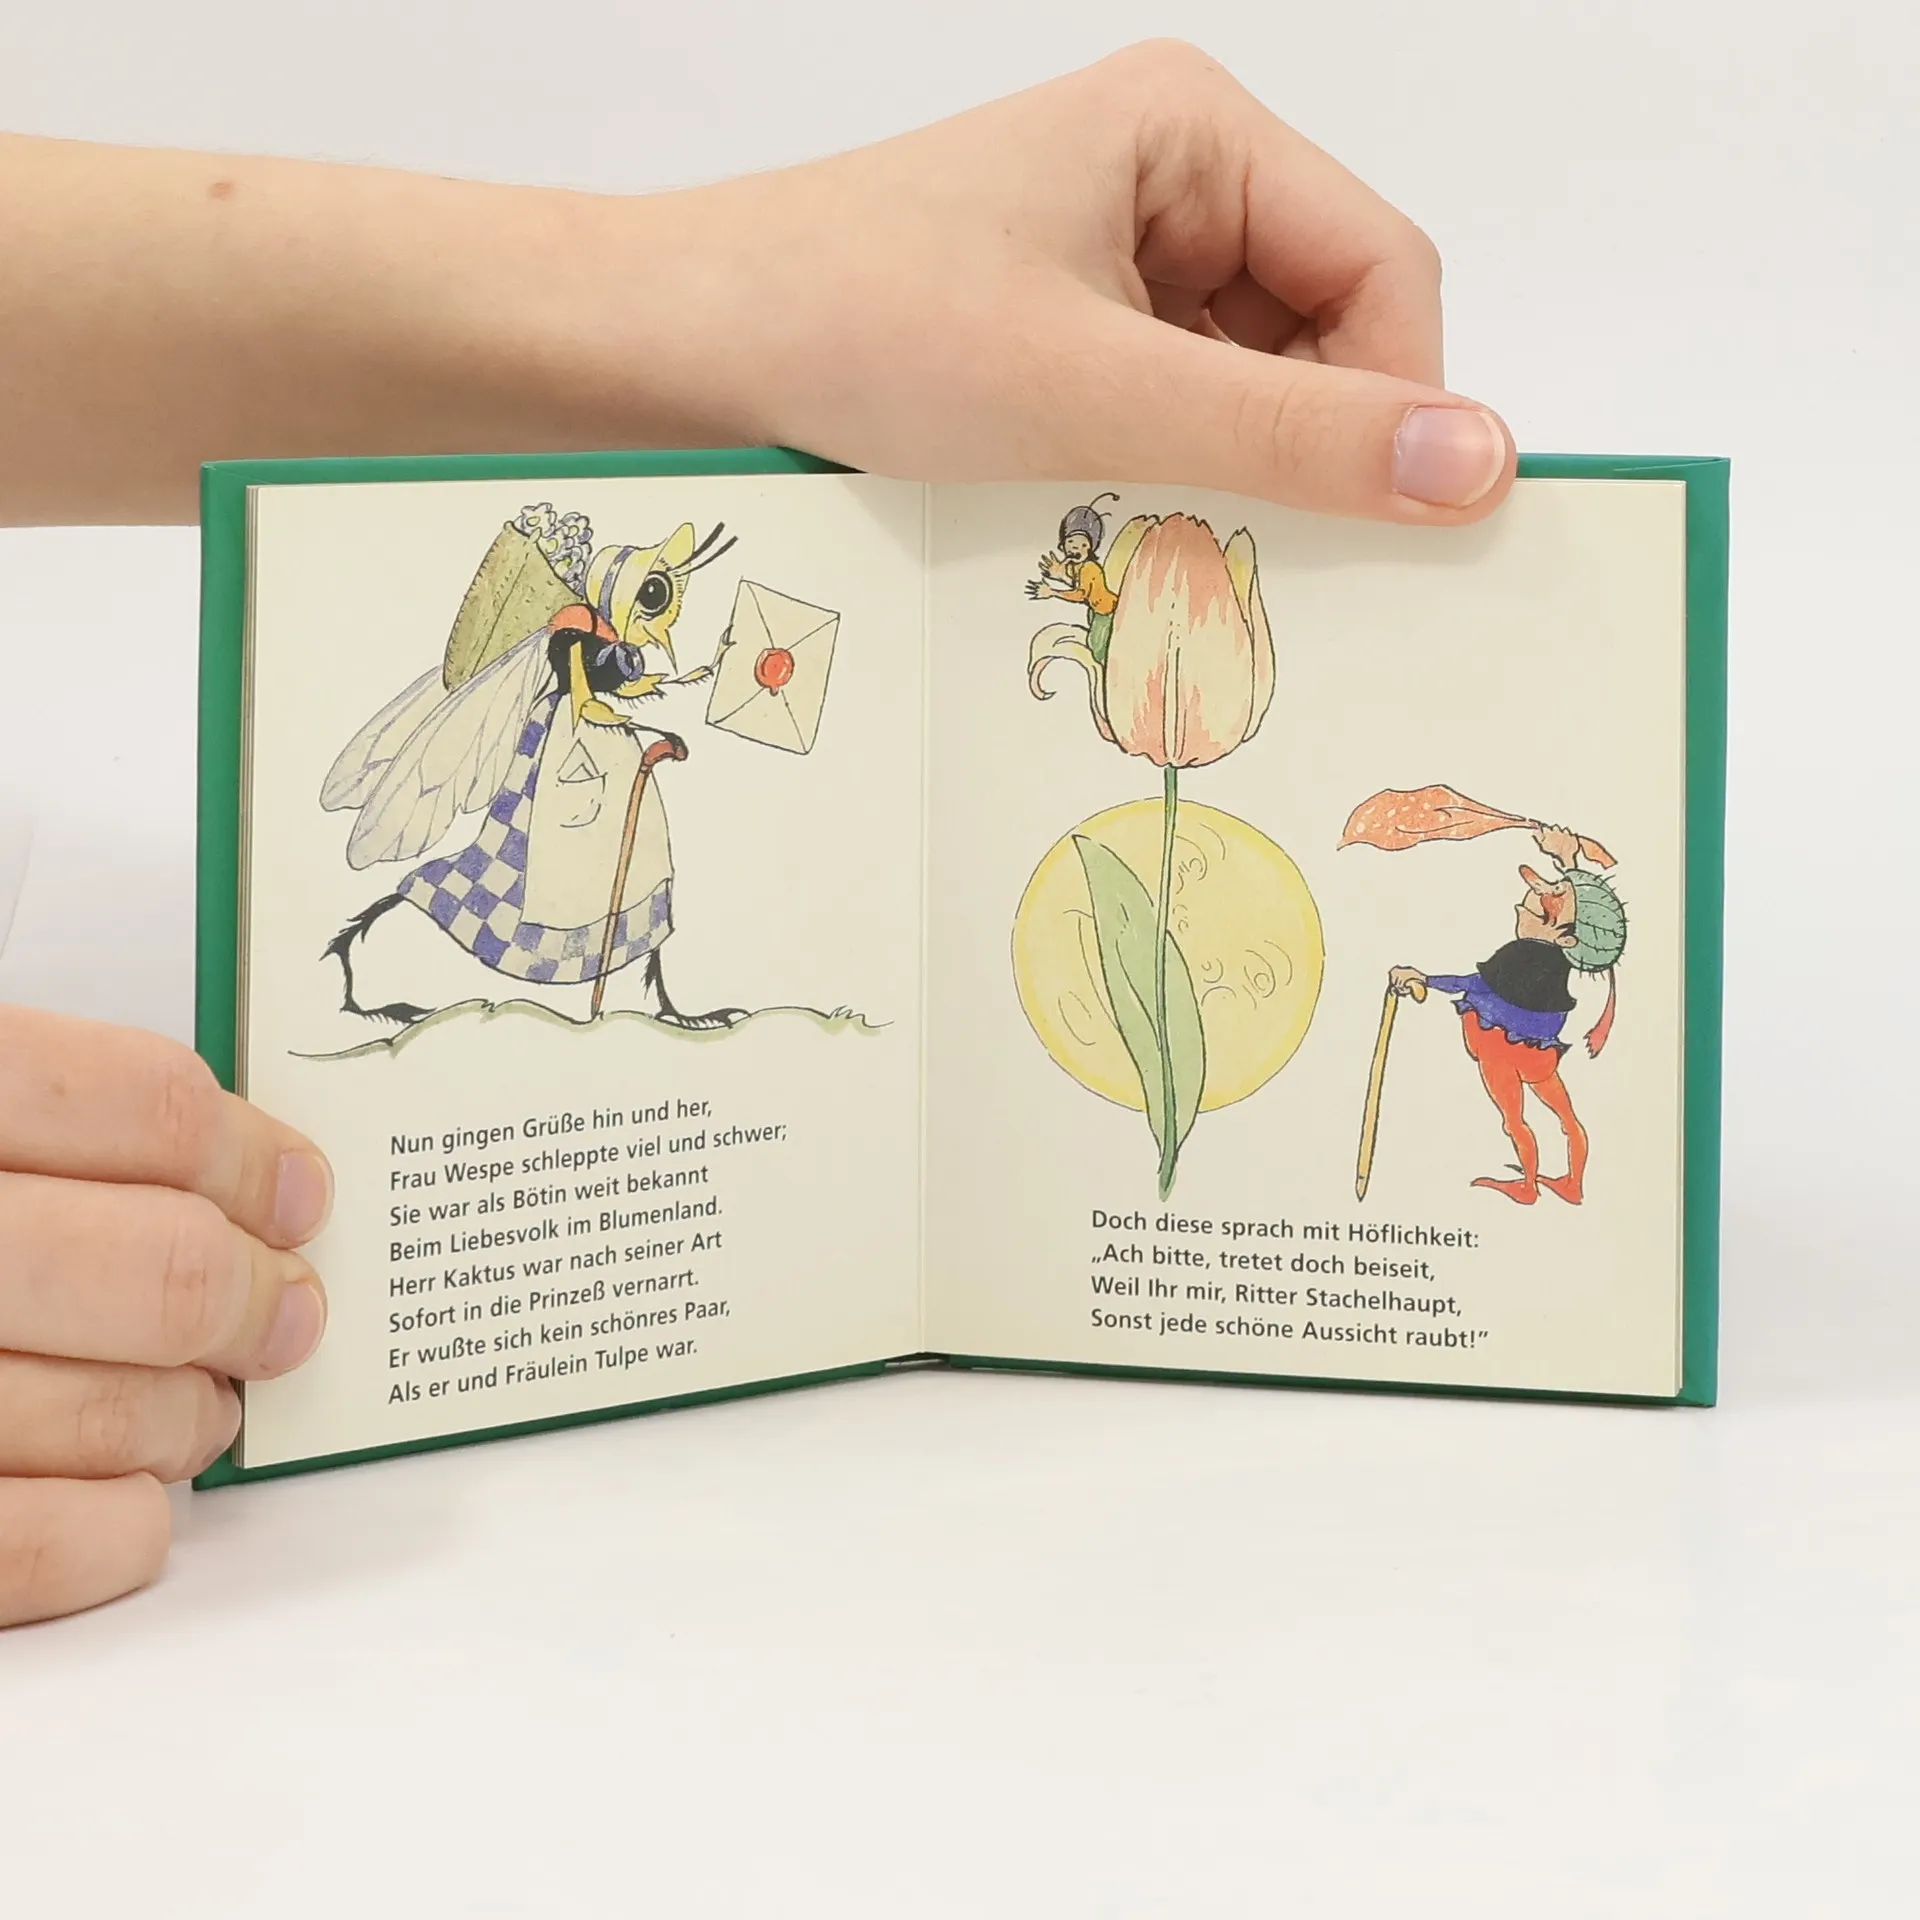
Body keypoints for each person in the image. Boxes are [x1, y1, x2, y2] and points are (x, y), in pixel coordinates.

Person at [0, 39, 1516, 1626]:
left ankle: (636, 990)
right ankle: (435, 959)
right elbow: (577, 709)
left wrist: (710, 299)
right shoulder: (565, 654)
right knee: (526, 890)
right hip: (552, 878)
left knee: (638, 898)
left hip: (625, 816)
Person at [1388, 827, 1627, 1206]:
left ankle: (1528, 1186)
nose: (1530, 899)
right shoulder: (1558, 962)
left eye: (1546, 904)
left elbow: (1470, 983)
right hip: (1539, 1056)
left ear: (1567, 938)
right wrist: (1569, 860)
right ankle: (1573, 1184)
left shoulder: (1521, 955)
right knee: (1567, 1118)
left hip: (1500, 1049)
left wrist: (1425, 979)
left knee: (1514, 1120)